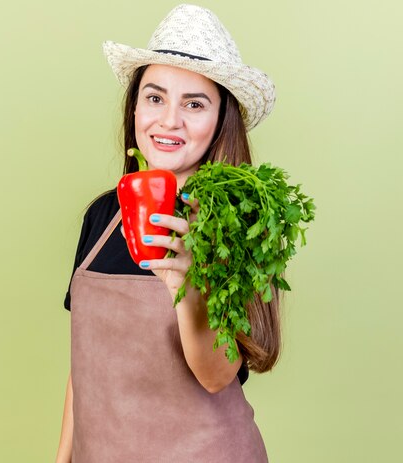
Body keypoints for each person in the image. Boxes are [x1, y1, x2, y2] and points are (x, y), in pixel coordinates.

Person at [56, 4, 281, 462]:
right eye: (155, 98)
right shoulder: (103, 216)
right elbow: (84, 367)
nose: (169, 120)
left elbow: (219, 376)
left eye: (194, 104)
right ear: (135, 107)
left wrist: (189, 289)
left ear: (221, 120)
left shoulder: (237, 222)